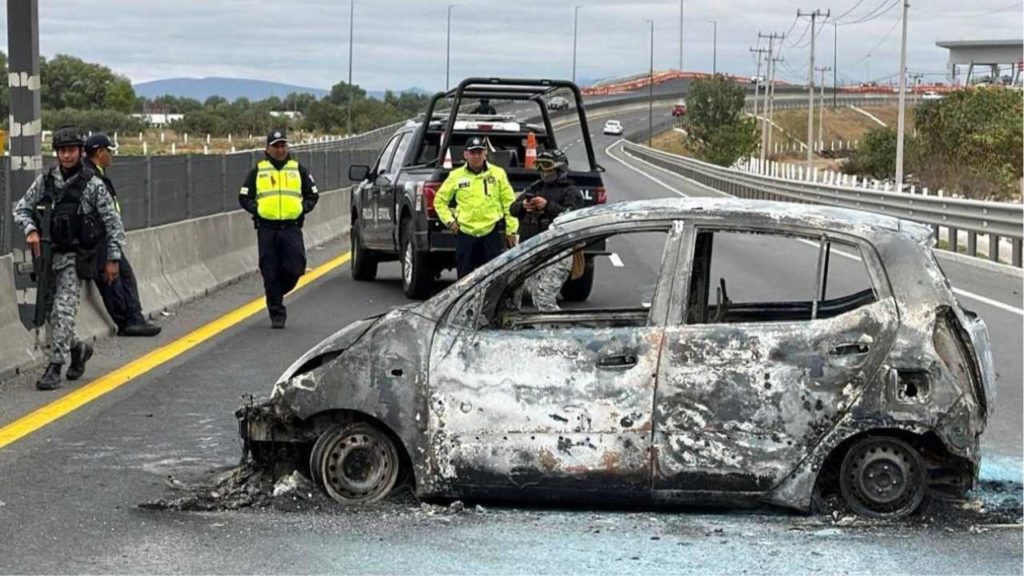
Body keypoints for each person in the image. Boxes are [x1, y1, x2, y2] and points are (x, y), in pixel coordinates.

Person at [13, 127, 126, 390]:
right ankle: (78, 349)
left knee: (64, 311)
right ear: (56, 153)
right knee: (52, 312)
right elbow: (21, 209)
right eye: (62, 151)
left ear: (80, 152)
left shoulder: (93, 184)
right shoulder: (45, 181)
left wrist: (113, 259)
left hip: (76, 259)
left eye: (71, 150)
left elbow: (113, 224)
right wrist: (30, 230)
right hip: (48, 257)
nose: (67, 156)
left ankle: (55, 366)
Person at [238, 129, 319, 329]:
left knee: (296, 266)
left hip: (290, 228)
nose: (281, 149)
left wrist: (302, 209)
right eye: (276, 146)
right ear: (268, 148)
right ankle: (277, 312)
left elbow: (313, 194)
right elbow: (244, 196)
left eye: (283, 145)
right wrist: (257, 211)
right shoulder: (259, 170)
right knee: (270, 270)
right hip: (267, 229)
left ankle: (275, 293)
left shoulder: (298, 169)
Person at [82, 133, 161, 337]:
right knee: (112, 279)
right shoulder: (90, 177)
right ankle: (128, 322)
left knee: (124, 275)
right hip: (98, 241)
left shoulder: (96, 173)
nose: (111, 156)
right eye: (109, 151)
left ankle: (134, 318)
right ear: (99, 152)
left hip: (105, 238)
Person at [434, 136, 518, 279]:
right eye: (473, 153)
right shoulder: (456, 176)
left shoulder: (497, 174)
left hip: (491, 233)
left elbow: (509, 204)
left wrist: (512, 230)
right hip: (465, 233)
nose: (477, 157)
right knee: (464, 281)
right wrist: (450, 222)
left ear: (485, 153)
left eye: (480, 152)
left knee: (493, 278)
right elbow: (439, 201)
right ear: (466, 155)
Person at [509, 149, 583, 311]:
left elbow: (573, 218)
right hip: (529, 248)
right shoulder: (535, 188)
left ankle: (559, 332)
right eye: (539, 165)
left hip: (556, 252)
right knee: (511, 294)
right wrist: (523, 206)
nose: (542, 170)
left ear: (559, 168)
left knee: (544, 298)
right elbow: (512, 210)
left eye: (547, 166)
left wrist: (547, 206)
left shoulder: (571, 191)